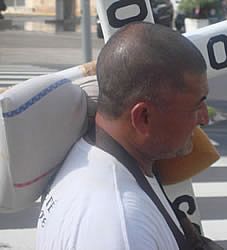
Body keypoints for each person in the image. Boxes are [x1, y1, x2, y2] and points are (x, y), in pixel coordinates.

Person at [36, 22, 210, 250]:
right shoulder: (123, 228)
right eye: (198, 105)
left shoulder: (96, 154)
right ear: (143, 117)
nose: (204, 118)